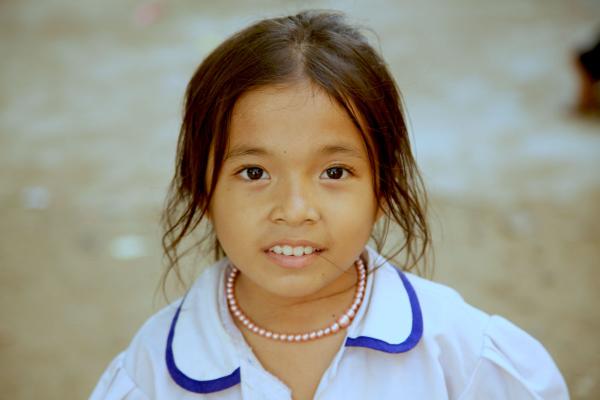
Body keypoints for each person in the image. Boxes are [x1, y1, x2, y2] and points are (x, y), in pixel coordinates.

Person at [90, 10, 569, 400]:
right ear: (202, 189)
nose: (295, 210)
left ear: (383, 189)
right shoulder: (149, 373)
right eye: (254, 173)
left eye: (334, 173)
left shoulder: (464, 359)